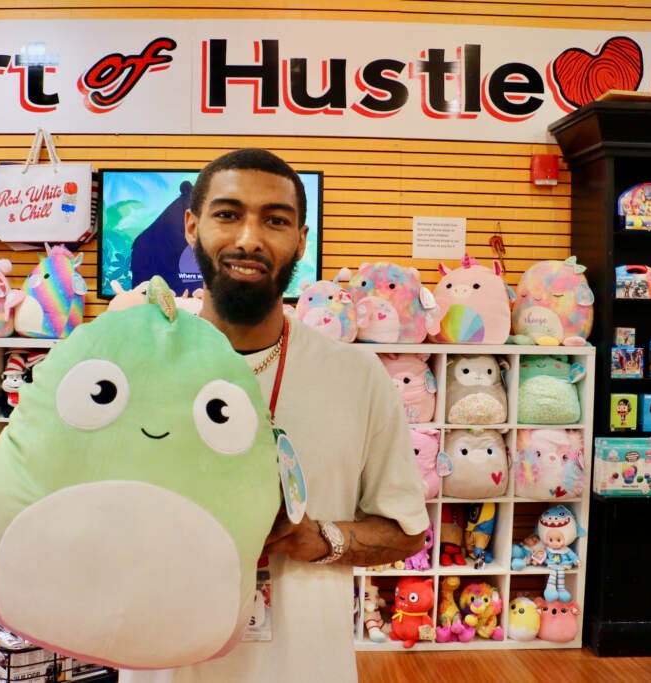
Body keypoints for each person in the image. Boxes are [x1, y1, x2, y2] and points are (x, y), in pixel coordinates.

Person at [119, 148, 429, 683]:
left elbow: (406, 532)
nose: (248, 238)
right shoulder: (130, 363)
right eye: (227, 213)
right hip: (162, 665)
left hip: (306, 667)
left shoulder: (356, 376)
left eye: (276, 220)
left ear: (301, 240)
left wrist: (320, 538)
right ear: (192, 225)